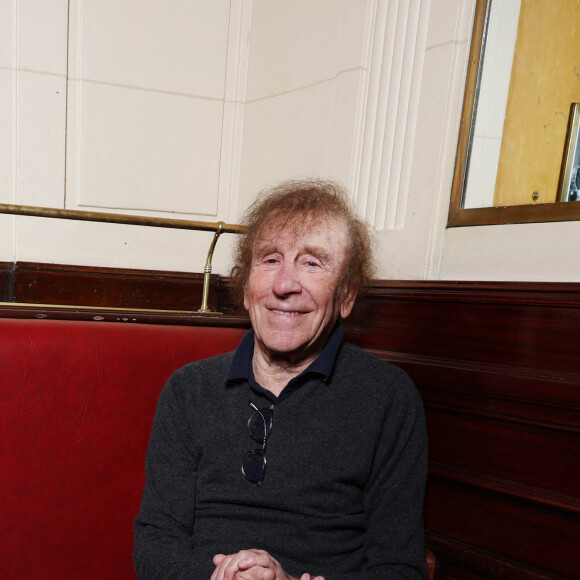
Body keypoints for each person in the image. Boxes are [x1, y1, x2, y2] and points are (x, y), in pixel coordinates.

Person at [134, 180, 429, 580]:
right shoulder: (189, 391)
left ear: (346, 296)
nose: (284, 284)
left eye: (312, 263)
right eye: (270, 260)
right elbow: (156, 541)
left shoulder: (389, 398)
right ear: (245, 289)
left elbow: (399, 570)